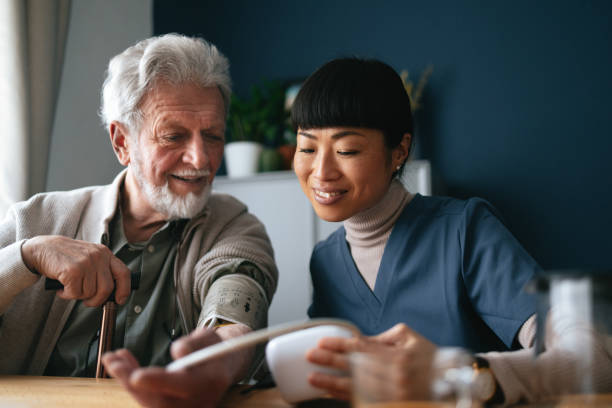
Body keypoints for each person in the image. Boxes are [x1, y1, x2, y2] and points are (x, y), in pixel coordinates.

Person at [0, 34, 278, 407]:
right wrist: (26, 257)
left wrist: (220, 358)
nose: (200, 159)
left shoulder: (233, 226)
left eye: (212, 136)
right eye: (173, 136)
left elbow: (237, 300)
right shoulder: (37, 220)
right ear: (122, 143)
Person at [290, 57, 540, 405]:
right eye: (307, 147)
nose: (321, 171)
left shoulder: (465, 230)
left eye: (346, 149)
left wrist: (454, 375)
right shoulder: (325, 261)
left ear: (400, 151)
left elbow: (593, 354)